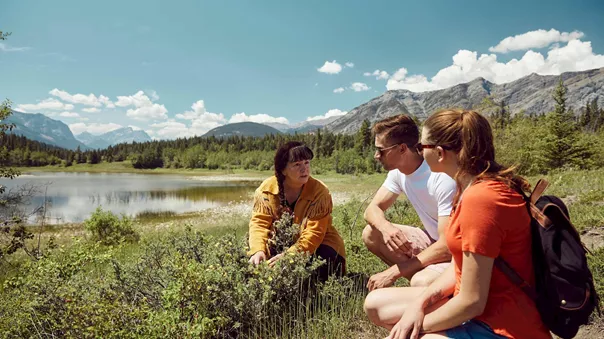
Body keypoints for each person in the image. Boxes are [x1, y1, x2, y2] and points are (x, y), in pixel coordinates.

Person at [364, 109, 551, 339]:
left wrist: (414, 325)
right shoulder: (468, 188)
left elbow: (472, 301)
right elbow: (460, 265)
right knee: (376, 303)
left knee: (419, 335)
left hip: (503, 324)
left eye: (422, 147)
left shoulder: (481, 200)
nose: (418, 152)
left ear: (440, 153)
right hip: (481, 305)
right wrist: (421, 302)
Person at [363, 114, 456, 290]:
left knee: (421, 281)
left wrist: (394, 271)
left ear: (402, 149)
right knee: (372, 233)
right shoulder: (398, 173)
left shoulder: (440, 177)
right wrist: (386, 228)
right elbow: (372, 209)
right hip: (434, 240)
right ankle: (428, 285)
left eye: (381, 150)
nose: (376, 155)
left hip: (454, 249)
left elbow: (449, 245)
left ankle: (437, 290)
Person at [248, 141, 346, 281]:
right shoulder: (266, 189)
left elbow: (314, 234)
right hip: (284, 244)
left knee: (312, 274)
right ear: (283, 170)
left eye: (306, 163)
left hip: (322, 246)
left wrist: (291, 255)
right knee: (253, 263)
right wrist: (258, 250)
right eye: (297, 165)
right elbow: (259, 224)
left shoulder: (320, 192)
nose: (304, 169)